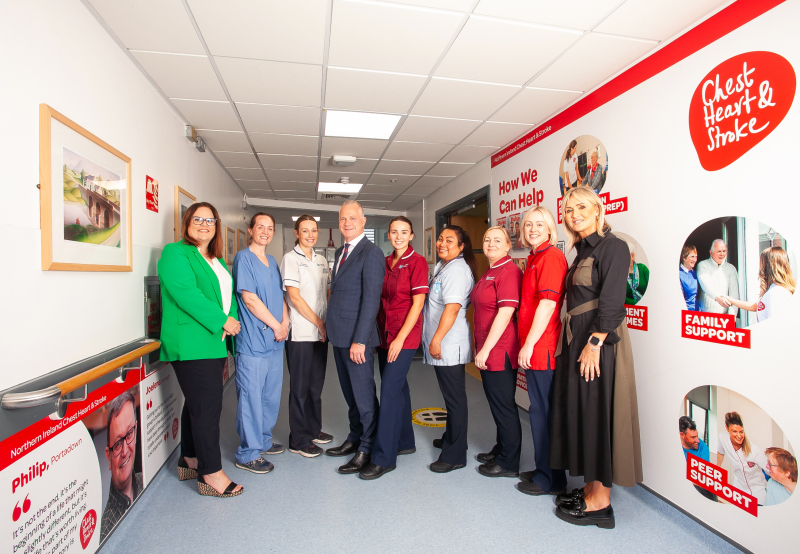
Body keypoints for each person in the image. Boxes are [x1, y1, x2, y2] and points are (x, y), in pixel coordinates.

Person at [549, 187, 642, 529]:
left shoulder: (613, 246)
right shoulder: (581, 249)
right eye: (569, 208)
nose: (575, 213)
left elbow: (614, 301)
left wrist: (594, 342)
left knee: (598, 413)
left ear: (598, 210)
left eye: (582, 207)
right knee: (584, 413)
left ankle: (600, 502)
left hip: (599, 342)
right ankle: (589, 487)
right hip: (579, 339)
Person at [158, 202, 243, 497]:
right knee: (208, 409)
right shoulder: (175, 252)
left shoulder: (214, 259)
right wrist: (223, 321)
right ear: (187, 222)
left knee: (198, 403)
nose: (205, 224)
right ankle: (211, 473)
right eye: (198, 219)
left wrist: (230, 317)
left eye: (210, 220)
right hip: (192, 343)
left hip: (213, 342)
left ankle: (190, 459)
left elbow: (227, 294)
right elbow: (186, 295)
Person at [359, 217, 428, 480]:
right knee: (399, 387)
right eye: (394, 232)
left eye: (404, 232)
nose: (399, 236)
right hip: (385, 334)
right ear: (388, 235)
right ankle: (405, 440)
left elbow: (418, 303)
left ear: (411, 235)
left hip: (405, 336)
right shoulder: (386, 262)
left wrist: (399, 339)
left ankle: (384, 457)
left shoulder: (417, 262)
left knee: (388, 390)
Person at [325, 200, 385, 475]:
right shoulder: (340, 251)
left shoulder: (371, 253)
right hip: (339, 335)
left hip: (357, 340)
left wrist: (360, 340)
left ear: (363, 221)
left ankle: (367, 447)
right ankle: (354, 437)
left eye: (352, 218)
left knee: (363, 396)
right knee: (349, 395)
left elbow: (371, 300)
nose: (346, 223)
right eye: (342, 219)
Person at [515, 207, 568, 497]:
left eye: (539, 224)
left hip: (542, 348)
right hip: (535, 346)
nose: (533, 229)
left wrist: (528, 345)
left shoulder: (551, 257)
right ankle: (542, 468)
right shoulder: (535, 257)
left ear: (550, 229)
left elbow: (547, 306)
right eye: (528, 225)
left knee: (544, 413)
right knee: (538, 411)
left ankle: (551, 478)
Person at [231, 213, 288, 474]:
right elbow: (250, 298)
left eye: (270, 228)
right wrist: (277, 326)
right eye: (260, 227)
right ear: (251, 230)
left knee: (270, 395)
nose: (265, 231)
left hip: (276, 340)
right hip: (254, 340)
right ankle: (248, 452)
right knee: (251, 396)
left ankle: (263, 440)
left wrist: (284, 322)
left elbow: (280, 296)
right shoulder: (244, 258)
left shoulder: (272, 260)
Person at [471, 227, 523, 479]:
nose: (491, 243)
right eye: (487, 239)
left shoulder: (509, 271)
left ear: (507, 246)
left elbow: (505, 314)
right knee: (496, 403)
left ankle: (509, 462)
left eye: (497, 240)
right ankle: (502, 448)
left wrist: (486, 350)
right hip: (489, 348)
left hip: (499, 350)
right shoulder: (491, 270)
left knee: (504, 406)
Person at [424, 225, 476, 473]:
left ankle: (455, 454)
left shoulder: (457, 270)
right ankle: (451, 439)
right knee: (450, 398)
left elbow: (452, 309)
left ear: (461, 245)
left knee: (455, 400)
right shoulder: (444, 266)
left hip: (448, 343)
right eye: (440, 239)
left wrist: (436, 340)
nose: (442, 243)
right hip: (442, 341)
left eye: (450, 240)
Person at [281, 215, 334, 458]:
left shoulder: (322, 260)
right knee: (300, 388)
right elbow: (295, 298)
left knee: (316, 386)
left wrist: (326, 324)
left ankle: (313, 429)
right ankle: (298, 439)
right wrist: (319, 324)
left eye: (314, 230)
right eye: (305, 231)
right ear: (296, 233)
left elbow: (326, 293)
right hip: (301, 333)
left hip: (320, 334)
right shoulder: (290, 259)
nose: (310, 235)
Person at [100, 391, 142, 540]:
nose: (125, 451)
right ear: (108, 456)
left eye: (129, 435)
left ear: (135, 432)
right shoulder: (107, 530)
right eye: (117, 444)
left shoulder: (144, 481)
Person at [722, 246, 795, 323]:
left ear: (768, 266)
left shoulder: (776, 293)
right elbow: (755, 306)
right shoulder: (773, 290)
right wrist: (731, 300)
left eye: (762, 262)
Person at [716, 411, 768, 505]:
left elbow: (769, 470)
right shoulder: (723, 438)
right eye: (734, 431)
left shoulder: (754, 451)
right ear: (727, 428)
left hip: (757, 489)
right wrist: (718, 466)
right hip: (739, 488)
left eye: (741, 431)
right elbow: (720, 452)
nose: (739, 436)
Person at [679, 416, 717, 502]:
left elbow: (702, 478)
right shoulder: (675, 447)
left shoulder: (703, 448)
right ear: (682, 435)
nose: (697, 440)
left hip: (704, 490)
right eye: (693, 437)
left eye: (697, 436)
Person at [697, 239, 739, 315]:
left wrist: (732, 317)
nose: (722, 254)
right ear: (711, 253)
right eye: (719, 251)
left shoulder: (731, 268)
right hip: (704, 317)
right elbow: (706, 285)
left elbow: (734, 295)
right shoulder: (703, 265)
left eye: (724, 251)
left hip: (724, 317)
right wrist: (718, 298)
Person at [624, 240, 649, 306]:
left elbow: (651, 289)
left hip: (647, 307)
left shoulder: (643, 269)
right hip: (629, 311)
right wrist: (636, 304)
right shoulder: (619, 272)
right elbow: (619, 296)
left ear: (632, 256)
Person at [680, 245, 699, 311]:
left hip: (697, 312)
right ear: (684, 258)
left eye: (696, 257)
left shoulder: (695, 272)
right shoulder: (679, 274)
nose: (695, 260)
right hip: (686, 313)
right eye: (692, 256)